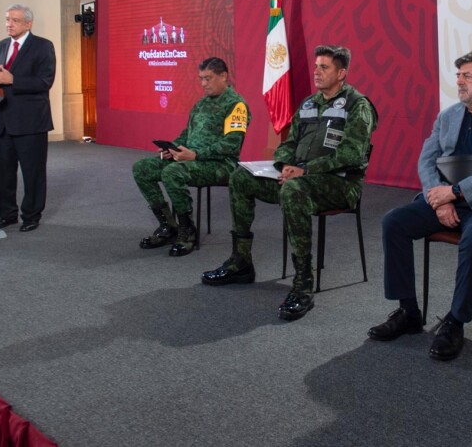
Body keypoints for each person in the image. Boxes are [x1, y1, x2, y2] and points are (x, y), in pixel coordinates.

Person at [368, 50, 472, 361]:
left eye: (467, 76)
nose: (459, 81)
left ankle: (455, 322)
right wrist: (437, 198)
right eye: (458, 75)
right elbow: (427, 160)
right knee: (394, 222)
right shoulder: (448, 115)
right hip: (447, 199)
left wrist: (454, 192)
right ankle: (408, 311)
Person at [201, 45, 378, 321]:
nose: (317, 72)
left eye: (325, 68)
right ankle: (241, 261)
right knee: (240, 177)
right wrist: (283, 165)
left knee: (294, 189)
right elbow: (289, 144)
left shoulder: (358, 105)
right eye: (316, 66)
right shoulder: (308, 104)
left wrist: (304, 171)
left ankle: (303, 283)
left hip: (340, 185)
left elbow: (351, 155)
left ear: (341, 73)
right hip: (301, 178)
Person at [132, 57, 250, 257]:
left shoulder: (236, 105)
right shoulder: (201, 104)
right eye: (201, 79)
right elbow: (187, 133)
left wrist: (195, 155)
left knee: (172, 172)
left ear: (223, 76)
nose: (203, 84)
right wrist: (173, 148)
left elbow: (231, 144)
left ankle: (187, 231)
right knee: (142, 168)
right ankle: (168, 226)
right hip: (190, 158)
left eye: (208, 78)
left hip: (220, 164)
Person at [0, 4, 56, 233]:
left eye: (14, 20)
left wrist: (12, 79)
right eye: (7, 19)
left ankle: (31, 216)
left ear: (28, 23)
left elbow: (45, 82)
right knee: (3, 173)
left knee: (32, 172)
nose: (9, 24)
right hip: (4, 121)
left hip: (31, 122)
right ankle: (7, 214)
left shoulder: (43, 46)